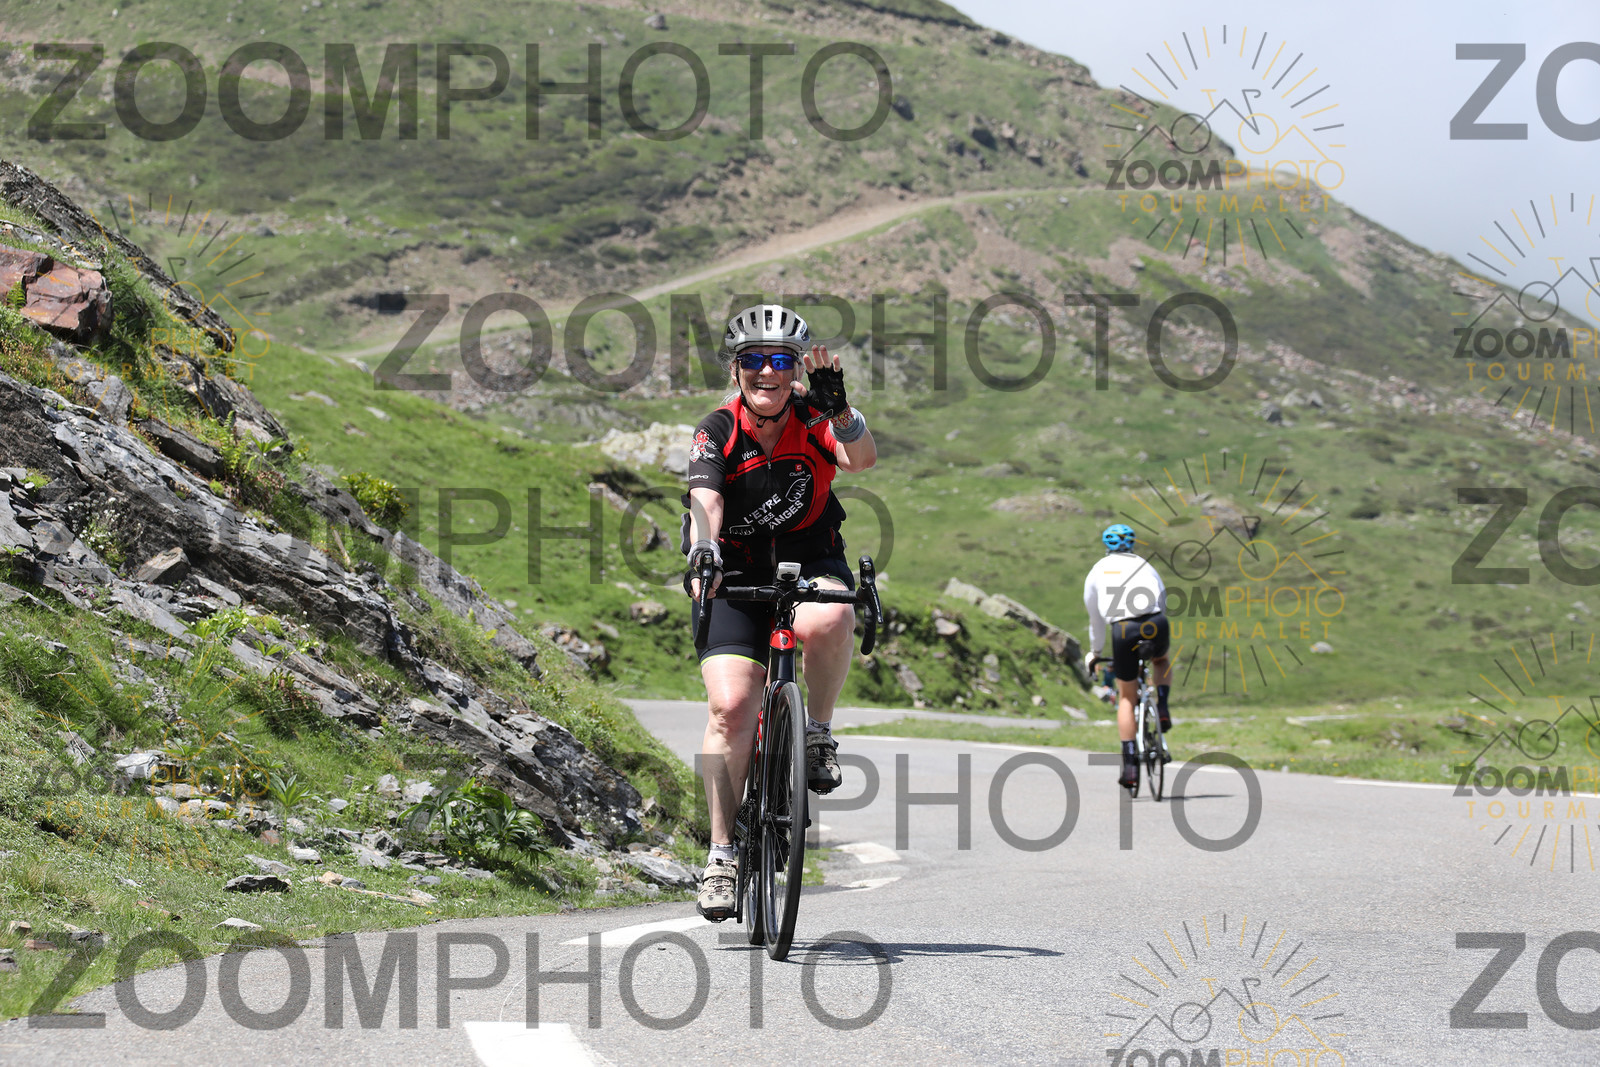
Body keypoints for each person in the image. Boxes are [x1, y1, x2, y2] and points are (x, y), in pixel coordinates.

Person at [683, 303, 877, 920]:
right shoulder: (718, 427)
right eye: (753, 360)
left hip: (810, 555)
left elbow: (862, 460)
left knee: (831, 617)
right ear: (735, 368)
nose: (766, 371)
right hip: (733, 568)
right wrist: (706, 549)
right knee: (731, 707)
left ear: (796, 369)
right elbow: (706, 498)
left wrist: (841, 413)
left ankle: (816, 732)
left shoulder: (816, 415)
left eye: (780, 360)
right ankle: (721, 855)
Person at [1083, 523, 1173, 789]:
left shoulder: (1097, 571)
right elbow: (1163, 600)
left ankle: (1131, 765)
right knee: (1161, 660)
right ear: (1132, 544)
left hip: (1123, 629)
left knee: (1126, 697)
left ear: (1106, 546)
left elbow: (1096, 620)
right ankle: (1163, 705)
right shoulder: (1145, 565)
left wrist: (1096, 653)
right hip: (1156, 622)